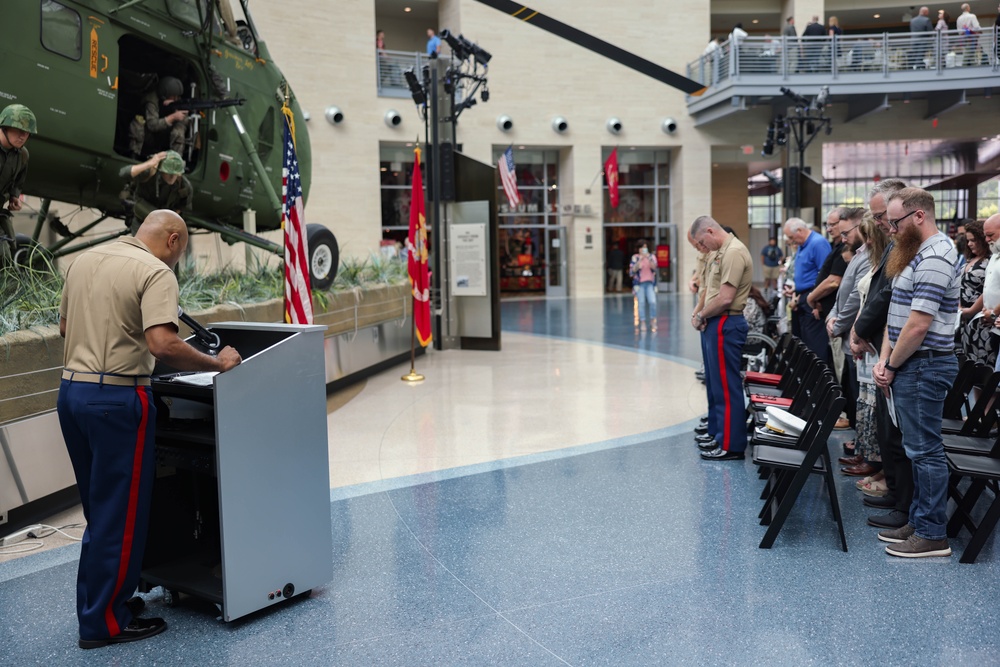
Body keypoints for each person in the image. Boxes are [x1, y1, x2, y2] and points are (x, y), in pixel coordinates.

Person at [57, 210, 242, 648]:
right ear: (173, 240)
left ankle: (104, 603)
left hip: (71, 395)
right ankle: (105, 625)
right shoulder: (154, 271)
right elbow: (162, 343)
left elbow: (65, 327)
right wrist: (218, 363)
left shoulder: (85, 260)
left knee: (100, 513)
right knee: (119, 517)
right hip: (117, 402)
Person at [873, 187, 961, 558]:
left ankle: (931, 533)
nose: (890, 229)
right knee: (915, 449)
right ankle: (919, 518)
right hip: (909, 362)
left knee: (925, 451)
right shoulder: (916, 253)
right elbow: (899, 314)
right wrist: (885, 358)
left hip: (924, 364)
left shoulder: (938, 255)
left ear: (919, 216)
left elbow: (918, 325)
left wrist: (891, 365)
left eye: (895, 222)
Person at [851, 179, 915, 531]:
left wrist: (860, 328)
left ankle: (905, 504)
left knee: (900, 435)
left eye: (884, 217)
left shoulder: (909, 246)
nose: (880, 224)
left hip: (902, 354)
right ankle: (896, 494)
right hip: (885, 348)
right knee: (888, 430)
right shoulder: (892, 245)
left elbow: (889, 296)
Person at [691, 216, 753, 461]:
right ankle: (718, 434)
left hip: (726, 320)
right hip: (716, 320)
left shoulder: (734, 252)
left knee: (727, 386)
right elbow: (710, 290)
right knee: (716, 384)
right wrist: (701, 313)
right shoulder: (722, 252)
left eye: (701, 242)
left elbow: (725, 298)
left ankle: (732, 445)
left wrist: (700, 315)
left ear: (709, 231)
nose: (702, 247)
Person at [783, 216, 832, 361]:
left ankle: (819, 379)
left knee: (815, 343)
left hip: (814, 298)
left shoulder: (818, 243)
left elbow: (825, 276)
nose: (791, 241)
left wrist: (818, 303)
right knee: (804, 341)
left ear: (799, 230)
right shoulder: (802, 245)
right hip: (802, 297)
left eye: (792, 237)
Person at [120, 151, 193, 234]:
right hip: (142, 220)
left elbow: (182, 207)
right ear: (161, 170)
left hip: (163, 225)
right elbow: (123, 173)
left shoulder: (184, 186)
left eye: (176, 173)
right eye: (168, 173)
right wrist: (150, 163)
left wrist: (167, 222)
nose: (172, 177)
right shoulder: (150, 174)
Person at [0, 104, 36, 265]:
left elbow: (18, 181)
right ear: (5, 127)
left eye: (27, 133)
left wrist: (14, 196)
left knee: (6, 256)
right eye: (19, 130)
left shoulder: (22, 155)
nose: (23, 136)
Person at [958, 219, 996, 365]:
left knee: (983, 362)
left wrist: (972, 310)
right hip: (965, 319)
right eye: (968, 240)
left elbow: (988, 289)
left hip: (981, 317)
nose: (970, 244)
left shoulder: (991, 260)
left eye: (974, 240)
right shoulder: (971, 258)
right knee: (969, 364)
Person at [128, 76, 191, 159]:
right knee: (137, 123)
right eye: (173, 96)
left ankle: (175, 161)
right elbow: (152, 125)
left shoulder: (177, 101)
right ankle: (134, 155)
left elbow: (185, 120)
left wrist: (177, 112)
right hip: (149, 136)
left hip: (167, 137)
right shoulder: (152, 102)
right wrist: (172, 117)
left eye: (177, 97)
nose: (176, 99)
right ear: (164, 95)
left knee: (178, 132)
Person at [629, 239, 658, 332]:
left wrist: (648, 258)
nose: (643, 249)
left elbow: (655, 268)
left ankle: (653, 320)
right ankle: (643, 322)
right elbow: (632, 270)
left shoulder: (652, 257)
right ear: (638, 249)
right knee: (641, 303)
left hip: (650, 283)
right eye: (641, 247)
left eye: (645, 247)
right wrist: (640, 260)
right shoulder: (635, 257)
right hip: (639, 284)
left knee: (652, 302)